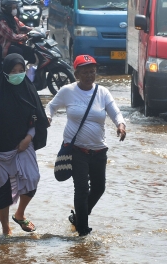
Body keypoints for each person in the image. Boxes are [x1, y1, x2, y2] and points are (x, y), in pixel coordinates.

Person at [45, 55, 127, 237]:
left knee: (99, 188)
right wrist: (48, 117)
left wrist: (120, 125)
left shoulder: (103, 92)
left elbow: (115, 112)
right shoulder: (67, 91)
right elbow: (50, 106)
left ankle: (79, 217)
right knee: (81, 188)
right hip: (76, 150)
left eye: (92, 71)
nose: (89, 75)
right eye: (85, 72)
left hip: (99, 150)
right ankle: (83, 231)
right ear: (77, 74)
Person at [0, 53, 49, 235]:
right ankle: (6, 229)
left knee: (32, 179)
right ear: (5, 72)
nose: (18, 75)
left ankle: (20, 214)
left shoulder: (28, 89)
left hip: (22, 146)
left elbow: (37, 119)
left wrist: (28, 139)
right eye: (13, 71)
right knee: (1, 193)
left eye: (21, 71)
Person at [0, 0, 35, 64]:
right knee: (18, 51)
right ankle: (15, 71)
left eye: (16, 7)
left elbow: (22, 26)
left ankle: (30, 72)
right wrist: (25, 36)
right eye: (13, 8)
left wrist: (35, 31)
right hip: (5, 46)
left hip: (14, 43)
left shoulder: (13, 18)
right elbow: (12, 36)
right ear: (7, 9)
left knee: (30, 51)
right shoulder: (2, 21)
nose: (15, 9)